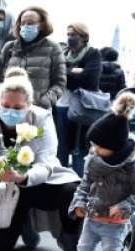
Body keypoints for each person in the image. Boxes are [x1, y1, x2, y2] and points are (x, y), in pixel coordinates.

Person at [0, 68, 82, 251]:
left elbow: (46, 160)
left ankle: (71, 239)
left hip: (42, 180)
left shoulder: (42, 118)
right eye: (6, 105)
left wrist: (24, 176)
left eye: (18, 107)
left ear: (28, 104)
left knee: (71, 191)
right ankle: (17, 229)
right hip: (4, 186)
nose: (10, 111)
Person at [58, 92, 135, 251]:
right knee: (84, 248)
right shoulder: (94, 159)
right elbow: (85, 184)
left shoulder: (134, 166)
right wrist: (79, 203)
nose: (95, 150)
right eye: (94, 145)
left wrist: (124, 206)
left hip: (114, 221)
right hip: (92, 216)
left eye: (100, 146)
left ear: (115, 146)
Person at [0, 6, 66, 110]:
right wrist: (1, 96)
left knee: (32, 128)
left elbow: (59, 84)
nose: (25, 26)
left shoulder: (54, 48)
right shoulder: (9, 47)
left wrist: (43, 102)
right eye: (23, 23)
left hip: (36, 114)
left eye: (31, 23)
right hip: (7, 110)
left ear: (42, 24)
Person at [54, 22, 100, 176]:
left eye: (73, 34)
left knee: (78, 149)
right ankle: (60, 184)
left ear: (83, 36)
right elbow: (55, 74)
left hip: (82, 107)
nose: (69, 38)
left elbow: (90, 79)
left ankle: (78, 184)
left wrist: (67, 75)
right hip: (61, 105)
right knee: (61, 148)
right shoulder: (63, 53)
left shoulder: (92, 53)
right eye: (68, 34)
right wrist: (73, 71)